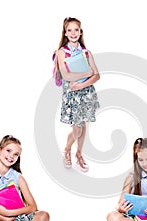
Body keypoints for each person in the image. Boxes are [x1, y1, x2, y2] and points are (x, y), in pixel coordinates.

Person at [54, 17, 100, 172]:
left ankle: (79, 153)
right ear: (65, 33)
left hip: (85, 93)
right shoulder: (62, 52)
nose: (73, 33)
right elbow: (66, 75)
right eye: (69, 30)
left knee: (83, 123)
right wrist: (87, 72)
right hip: (72, 96)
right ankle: (67, 149)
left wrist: (81, 83)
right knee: (77, 129)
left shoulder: (86, 52)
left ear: (81, 32)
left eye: (76, 30)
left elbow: (97, 75)